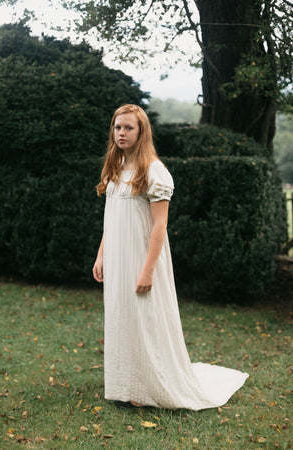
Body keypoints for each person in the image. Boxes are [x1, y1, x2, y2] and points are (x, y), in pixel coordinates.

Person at [93, 104, 249, 410]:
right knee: (122, 318)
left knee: (144, 320)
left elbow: (160, 225)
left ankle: (148, 387)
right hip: (118, 257)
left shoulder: (153, 170)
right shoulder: (115, 166)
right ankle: (125, 387)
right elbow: (112, 218)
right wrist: (101, 255)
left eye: (128, 128)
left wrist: (148, 271)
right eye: (117, 127)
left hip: (142, 258)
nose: (121, 133)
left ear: (141, 132)